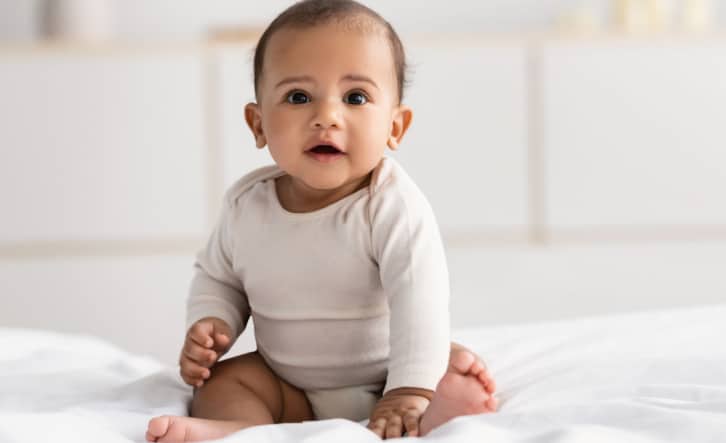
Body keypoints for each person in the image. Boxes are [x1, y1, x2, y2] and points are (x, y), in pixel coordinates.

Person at [145, 1, 497, 441]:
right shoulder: (246, 206)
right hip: (288, 385)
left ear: (395, 127)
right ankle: (240, 428)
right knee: (222, 382)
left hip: (384, 373)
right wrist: (213, 322)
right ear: (258, 124)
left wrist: (407, 389)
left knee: (443, 371)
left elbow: (420, 300)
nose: (326, 116)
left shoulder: (390, 206)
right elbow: (218, 277)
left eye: (355, 98)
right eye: (298, 97)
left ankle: (429, 404)